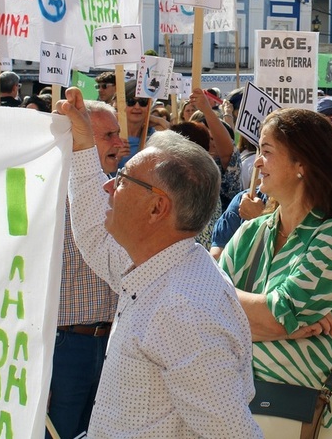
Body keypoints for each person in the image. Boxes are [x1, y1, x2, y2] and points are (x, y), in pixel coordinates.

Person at [57, 88, 262, 438]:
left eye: (122, 181)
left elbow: (234, 433)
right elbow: (93, 232)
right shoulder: (157, 267)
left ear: (157, 209)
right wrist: (81, 144)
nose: (109, 188)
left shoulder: (182, 309)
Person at [220, 108, 332, 438]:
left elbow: (271, 316)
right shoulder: (251, 232)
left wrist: (267, 321)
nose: (257, 162)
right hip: (241, 405)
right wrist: (288, 327)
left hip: (313, 417)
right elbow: (206, 313)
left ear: (303, 164)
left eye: (267, 151)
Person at [47, 101, 123, 439]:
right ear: (78, 138)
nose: (119, 144)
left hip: (109, 344)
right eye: (108, 135)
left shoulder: (119, 191)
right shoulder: (49, 191)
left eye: (118, 134)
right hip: (64, 346)